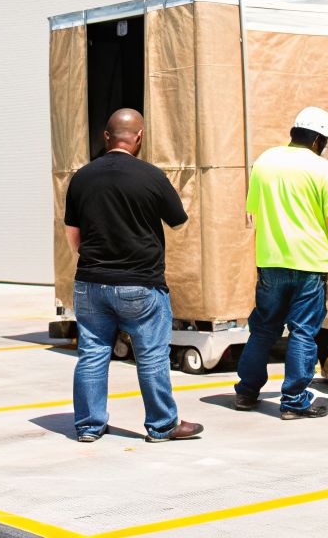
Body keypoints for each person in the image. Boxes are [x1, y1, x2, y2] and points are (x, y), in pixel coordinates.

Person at [64, 108, 201, 443]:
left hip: (91, 283)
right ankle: (162, 425)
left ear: (106, 136)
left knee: (93, 353)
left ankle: (88, 426)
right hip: (141, 284)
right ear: (139, 137)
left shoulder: (81, 178)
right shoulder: (151, 176)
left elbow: (73, 235)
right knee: (151, 354)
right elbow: (179, 220)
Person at [233, 107, 328, 419]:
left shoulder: (265, 162)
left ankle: (246, 393)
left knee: (263, 329)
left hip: (270, 261)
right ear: (317, 140)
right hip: (311, 264)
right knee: (302, 332)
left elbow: (254, 209)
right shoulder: (324, 170)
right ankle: (294, 402)